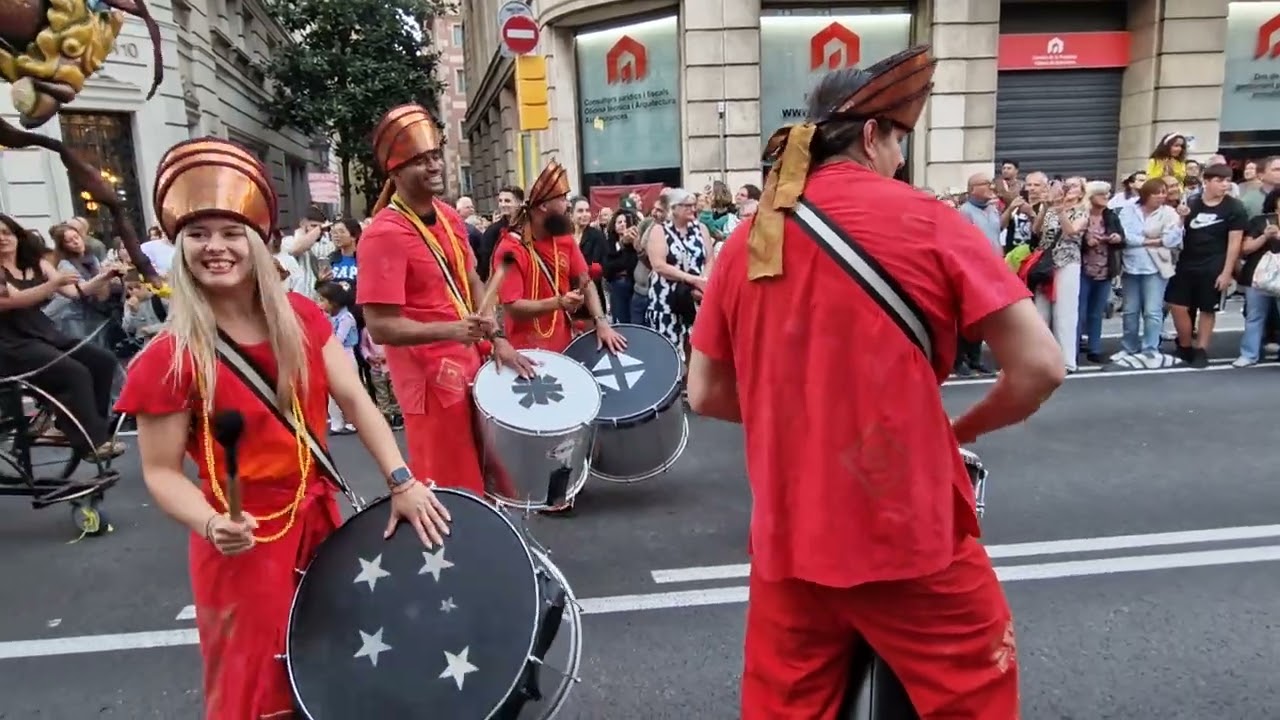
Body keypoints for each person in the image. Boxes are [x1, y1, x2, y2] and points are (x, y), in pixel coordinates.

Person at [686, 46, 1064, 720]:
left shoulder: (749, 238)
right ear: (871, 134)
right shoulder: (928, 219)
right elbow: (1040, 367)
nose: (900, 160)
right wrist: (960, 428)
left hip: (788, 536)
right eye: (899, 142)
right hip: (906, 534)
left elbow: (706, 392)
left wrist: (801, 412)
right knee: (974, 694)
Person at [114, 137, 451, 720]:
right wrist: (211, 522)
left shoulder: (303, 318)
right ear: (179, 248)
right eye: (197, 234)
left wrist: (402, 481)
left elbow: (355, 398)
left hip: (319, 524)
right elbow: (161, 472)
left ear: (256, 242)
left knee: (332, 668)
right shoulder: (168, 358)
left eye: (230, 233)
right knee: (256, 688)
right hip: (239, 543)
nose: (215, 247)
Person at [356, 103, 534, 497]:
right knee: (452, 490)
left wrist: (497, 338)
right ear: (395, 171)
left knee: (491, 480)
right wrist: (453, 330)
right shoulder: (383, 234)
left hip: (471, 365)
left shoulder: (450, 216)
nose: (434, 165)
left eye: (435, 155)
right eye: (421, 160)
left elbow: (472, 280)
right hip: (429, 385)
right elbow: (380, 327)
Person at [0, 215, 124, 461]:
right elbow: (12, 301)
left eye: (6, 232)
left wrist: (105, 276)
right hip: (10, 343)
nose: (2, 238)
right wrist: (52, 284)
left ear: (16, 235)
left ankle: (86, 428)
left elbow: (74, 292)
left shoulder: (35, 262)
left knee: (103, 361)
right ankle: (90, 443)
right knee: (73, 372)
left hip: (42, 332)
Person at [492, 159, 627, 355]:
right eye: (562, 199)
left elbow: (586, 282)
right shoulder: (510, 248)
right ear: (544, 206)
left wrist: (601, 322)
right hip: (524, 354)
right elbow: (512, 306)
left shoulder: (565, 239)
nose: (568, 204)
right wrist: (559, 303)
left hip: (564, 349)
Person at [1165, 163, 1247, 367]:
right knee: (1177, 305)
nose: (1224, 185)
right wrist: (1181, 216)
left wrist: (1227, 272)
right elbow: (1177, 233)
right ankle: (1185, 345)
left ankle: (1201, 349)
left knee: (1207, 308)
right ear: (1206, 182)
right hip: (1186, 261)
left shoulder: (1234, 207)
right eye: (1219, 180)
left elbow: (1234, 243)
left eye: (1227, 181)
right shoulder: (1192, 202)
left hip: (1214, 263)